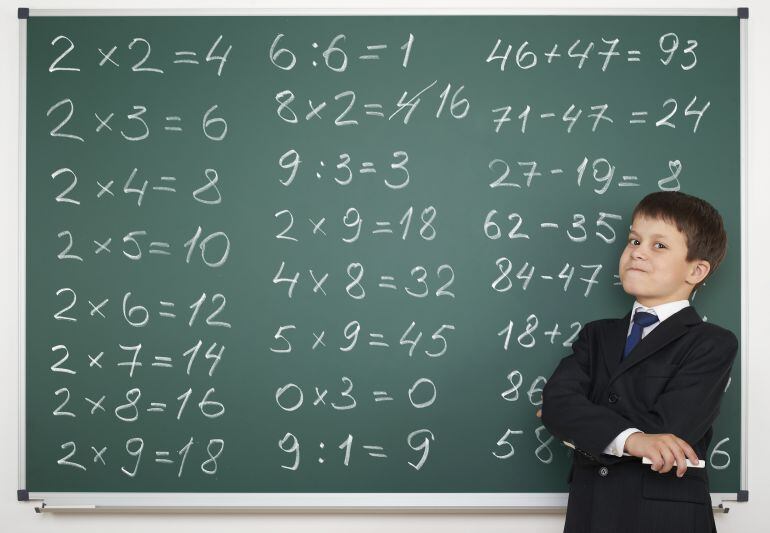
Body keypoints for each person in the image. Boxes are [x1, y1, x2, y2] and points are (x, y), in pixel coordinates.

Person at [540, 191, 739, 533]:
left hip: (665, 519)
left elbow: (672, 431)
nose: (638, 252)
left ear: (696, 269)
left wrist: (582, 423)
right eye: (634, 240)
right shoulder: (596, 336)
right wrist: (634, 439)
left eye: (658, 245)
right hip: (589, 515)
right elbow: (556, 404)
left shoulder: (711, 343)